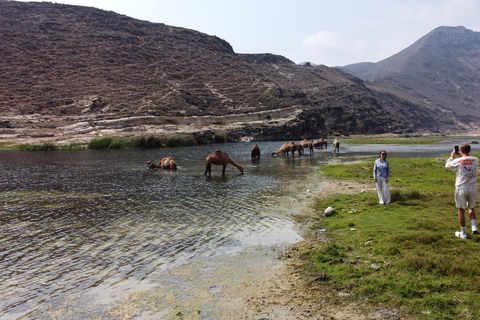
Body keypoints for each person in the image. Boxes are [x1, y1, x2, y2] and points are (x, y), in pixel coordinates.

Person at [445, 143, 478, 239]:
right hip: (472, 188)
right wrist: (462, 156)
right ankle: (474, 226)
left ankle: (463, 232)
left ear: (461, 150)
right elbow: (467, 160)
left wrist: (452, 157)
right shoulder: (476, 159)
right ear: (469, 150)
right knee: (471, 207)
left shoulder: (458, 161)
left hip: (461, 188)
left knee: (461, 210)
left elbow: (448, 166)